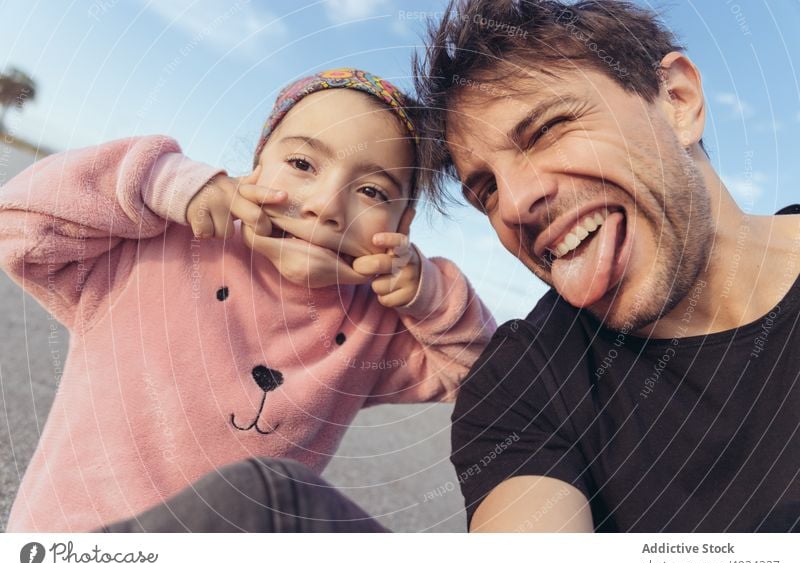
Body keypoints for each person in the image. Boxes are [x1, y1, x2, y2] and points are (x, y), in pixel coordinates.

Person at [0, 68, 496, 532]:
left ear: (401, 226)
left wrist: (428, 294)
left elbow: (483, 375)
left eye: (370, 191)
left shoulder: (373, 326)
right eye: (302, 164)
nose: (325, 205)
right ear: (256, 168)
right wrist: (164, 183)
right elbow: (20, 226)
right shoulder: (158, 250)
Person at [411, 0, 800, 532]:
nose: (515, 203)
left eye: (547, 129)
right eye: (486, 191)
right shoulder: (522, 382)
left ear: (677, 101)